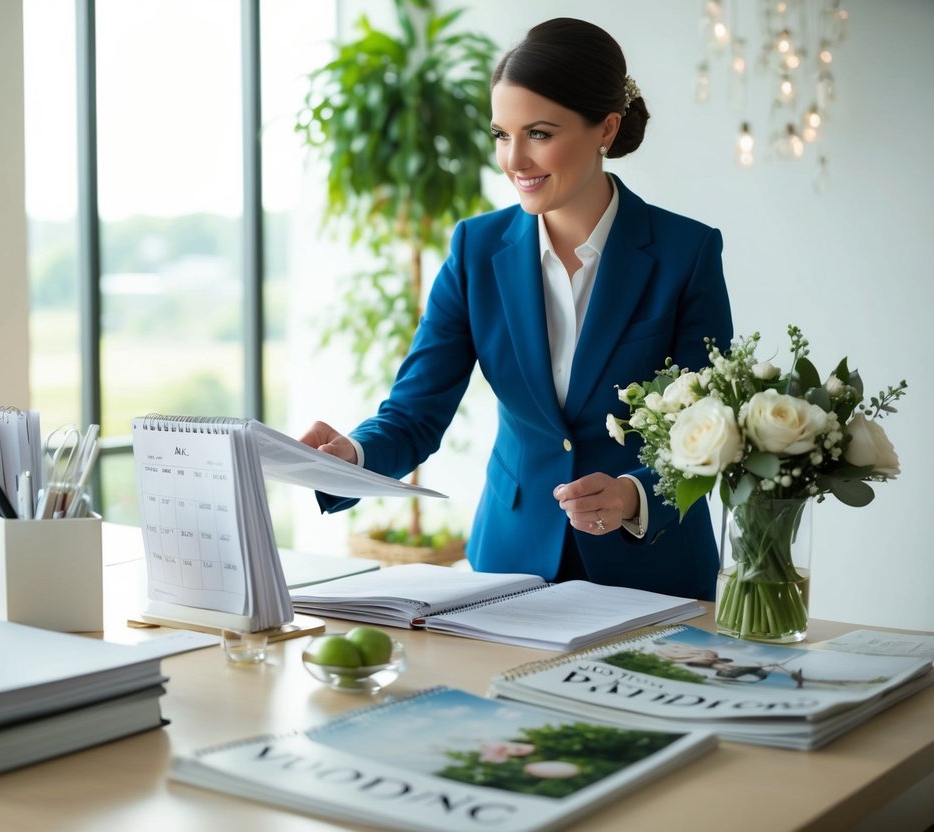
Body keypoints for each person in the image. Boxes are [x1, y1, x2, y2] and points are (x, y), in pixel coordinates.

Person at [300, 18, 733, 601]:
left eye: (539, 133)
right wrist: (349, 455)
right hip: (509, 571)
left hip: (653, 574)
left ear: (605, 128)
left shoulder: (687, 252)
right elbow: (415, 412)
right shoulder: (475, 250)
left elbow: (709, 429)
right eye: (502, 134)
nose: (515, 159)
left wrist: (633, 494)